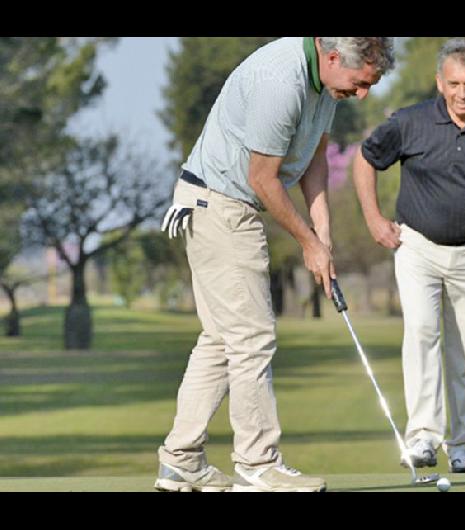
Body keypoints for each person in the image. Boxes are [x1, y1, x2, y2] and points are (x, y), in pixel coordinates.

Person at [156, 37, 395, 492]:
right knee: (252, 338)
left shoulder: (326, 86)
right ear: (331, 58)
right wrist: (306, 241)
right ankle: (257, 463)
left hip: (220, 202)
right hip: (221, 204)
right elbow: (262, 179)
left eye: (370, 86)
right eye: (360, 84)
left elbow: (314, 159)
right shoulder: (279, 81)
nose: (363, 95)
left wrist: (323, 232)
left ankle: (180, 459)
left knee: (223, 339)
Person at [352, 39, 465, 473]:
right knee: (420, 333)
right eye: (453, 83)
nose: (462, 93)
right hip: (416, 247)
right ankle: (421, 438)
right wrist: (374, 219)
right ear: (440, 82)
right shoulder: (410, 122)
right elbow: (365, 161)